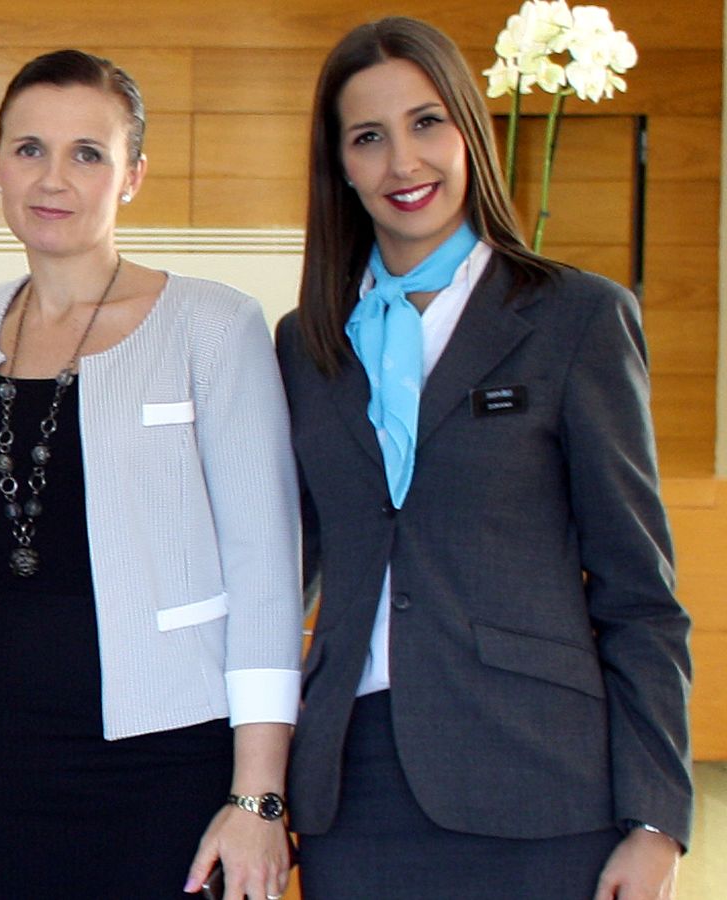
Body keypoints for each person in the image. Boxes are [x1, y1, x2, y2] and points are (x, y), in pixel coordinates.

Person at [275, 16, 692, 900]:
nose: (403, 163)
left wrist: (655, 821)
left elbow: (640, 594)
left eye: (427, 123)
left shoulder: (575, 319)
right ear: (340, 166)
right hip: (353, 786)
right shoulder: (307, 347)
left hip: (535, 775)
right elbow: (282, 565)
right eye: (368, 138)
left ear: (469, 129)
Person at [0, 49, 301, 900]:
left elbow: (267, 574)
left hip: (161, 753)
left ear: (132, 175)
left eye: (88, 153)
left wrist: (258, 796)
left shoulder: (214, 325)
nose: (54, 178)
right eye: (29, 149)